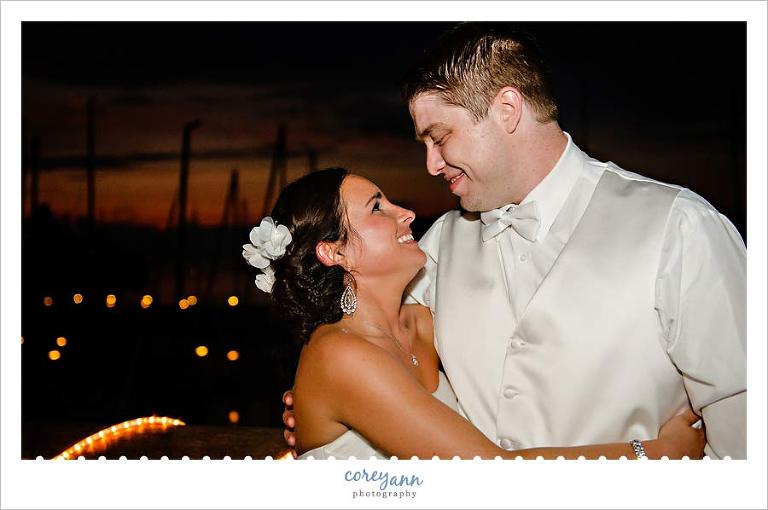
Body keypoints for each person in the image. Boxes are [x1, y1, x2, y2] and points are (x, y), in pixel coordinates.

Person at [283, 24, 746, 459]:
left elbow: (744, 426)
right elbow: (368, 345)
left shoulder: (679, 227)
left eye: (440, 137)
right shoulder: (439, 245)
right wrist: (326, 411)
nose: (431, 164)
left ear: (507, 110)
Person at [245, 167, 705, 459]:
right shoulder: (340, 357)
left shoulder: (423, 322)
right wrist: (653, 453)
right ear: (334, 252)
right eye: (378, 208)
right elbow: (490, 478)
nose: (406, 213)